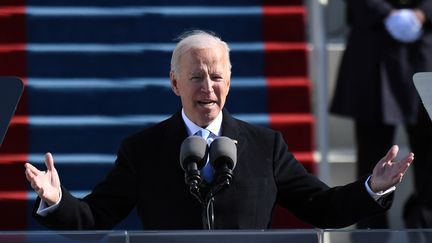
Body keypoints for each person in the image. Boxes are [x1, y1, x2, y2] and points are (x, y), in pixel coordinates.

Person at [25, 30, 413, 230]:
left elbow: (321, 207)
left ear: (230, 81)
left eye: (216, 76)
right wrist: (58, 200)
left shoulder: (265, 145)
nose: (207, 88)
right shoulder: (142, 149)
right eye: (195, 77)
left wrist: (373, 187)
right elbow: (97, 215)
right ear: (175, 84)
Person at [330, 0, 432, 229]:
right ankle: (370, 233)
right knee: (373, 160)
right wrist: (383, 13)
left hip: (426, 49)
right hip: (373, 51)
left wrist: (424, 13)